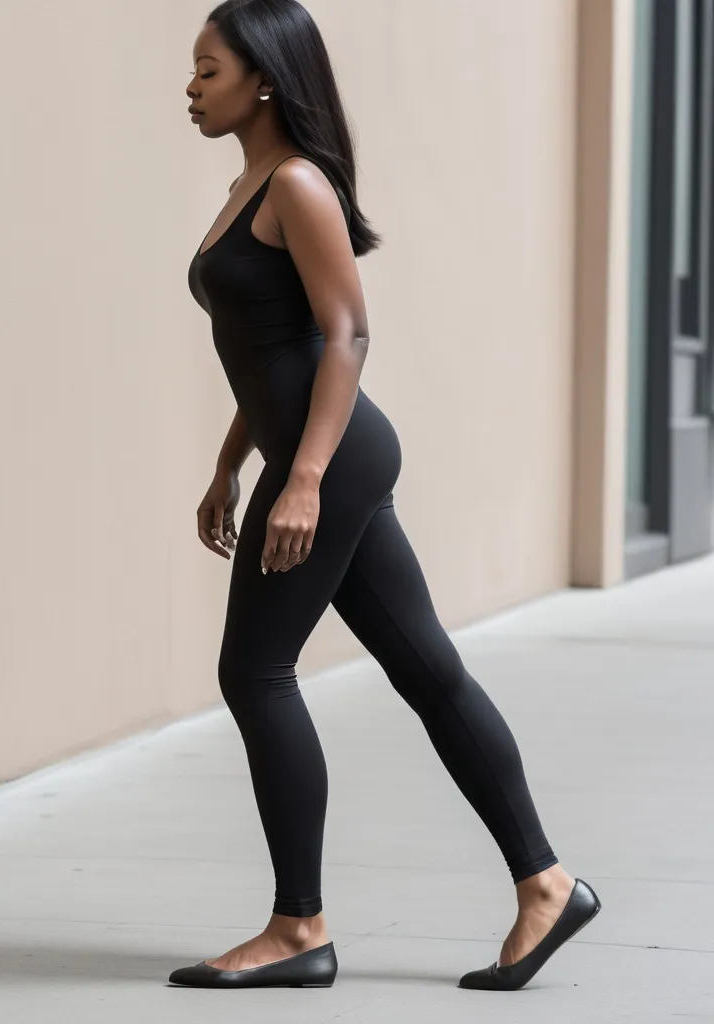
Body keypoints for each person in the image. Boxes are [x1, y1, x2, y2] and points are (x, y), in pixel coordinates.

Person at [168, 0, 600, 992]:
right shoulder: (248, 185)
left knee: (256, 671)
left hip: (335, 456)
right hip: (306, 451)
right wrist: (231, 460)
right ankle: (546, 884)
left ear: (264, 78)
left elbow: (345, 335)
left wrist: (303, 477)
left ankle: (297, 926)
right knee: (428, 670)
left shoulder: (298, 185)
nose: (189, 89)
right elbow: (266, 348)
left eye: (206, 70)